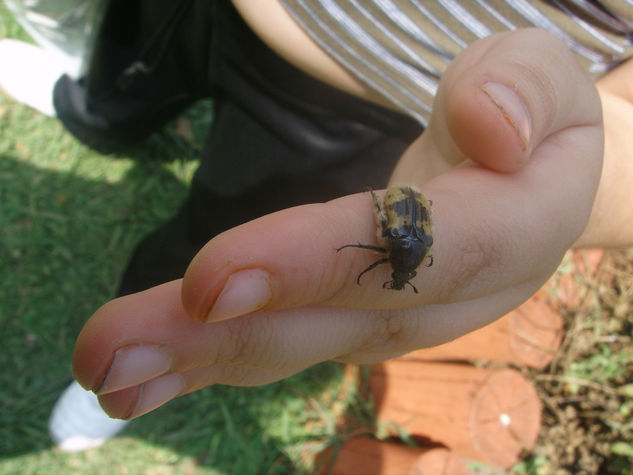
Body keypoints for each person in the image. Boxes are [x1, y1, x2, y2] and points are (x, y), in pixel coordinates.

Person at [3, 0, 632, 451]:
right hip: (213, 10)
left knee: (215, 256)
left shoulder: (402, 241)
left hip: (373, 101)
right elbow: (396, 236)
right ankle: (87, 110)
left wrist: (567, 189)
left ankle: (139, 359)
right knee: (124, 77)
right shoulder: (406, 248)